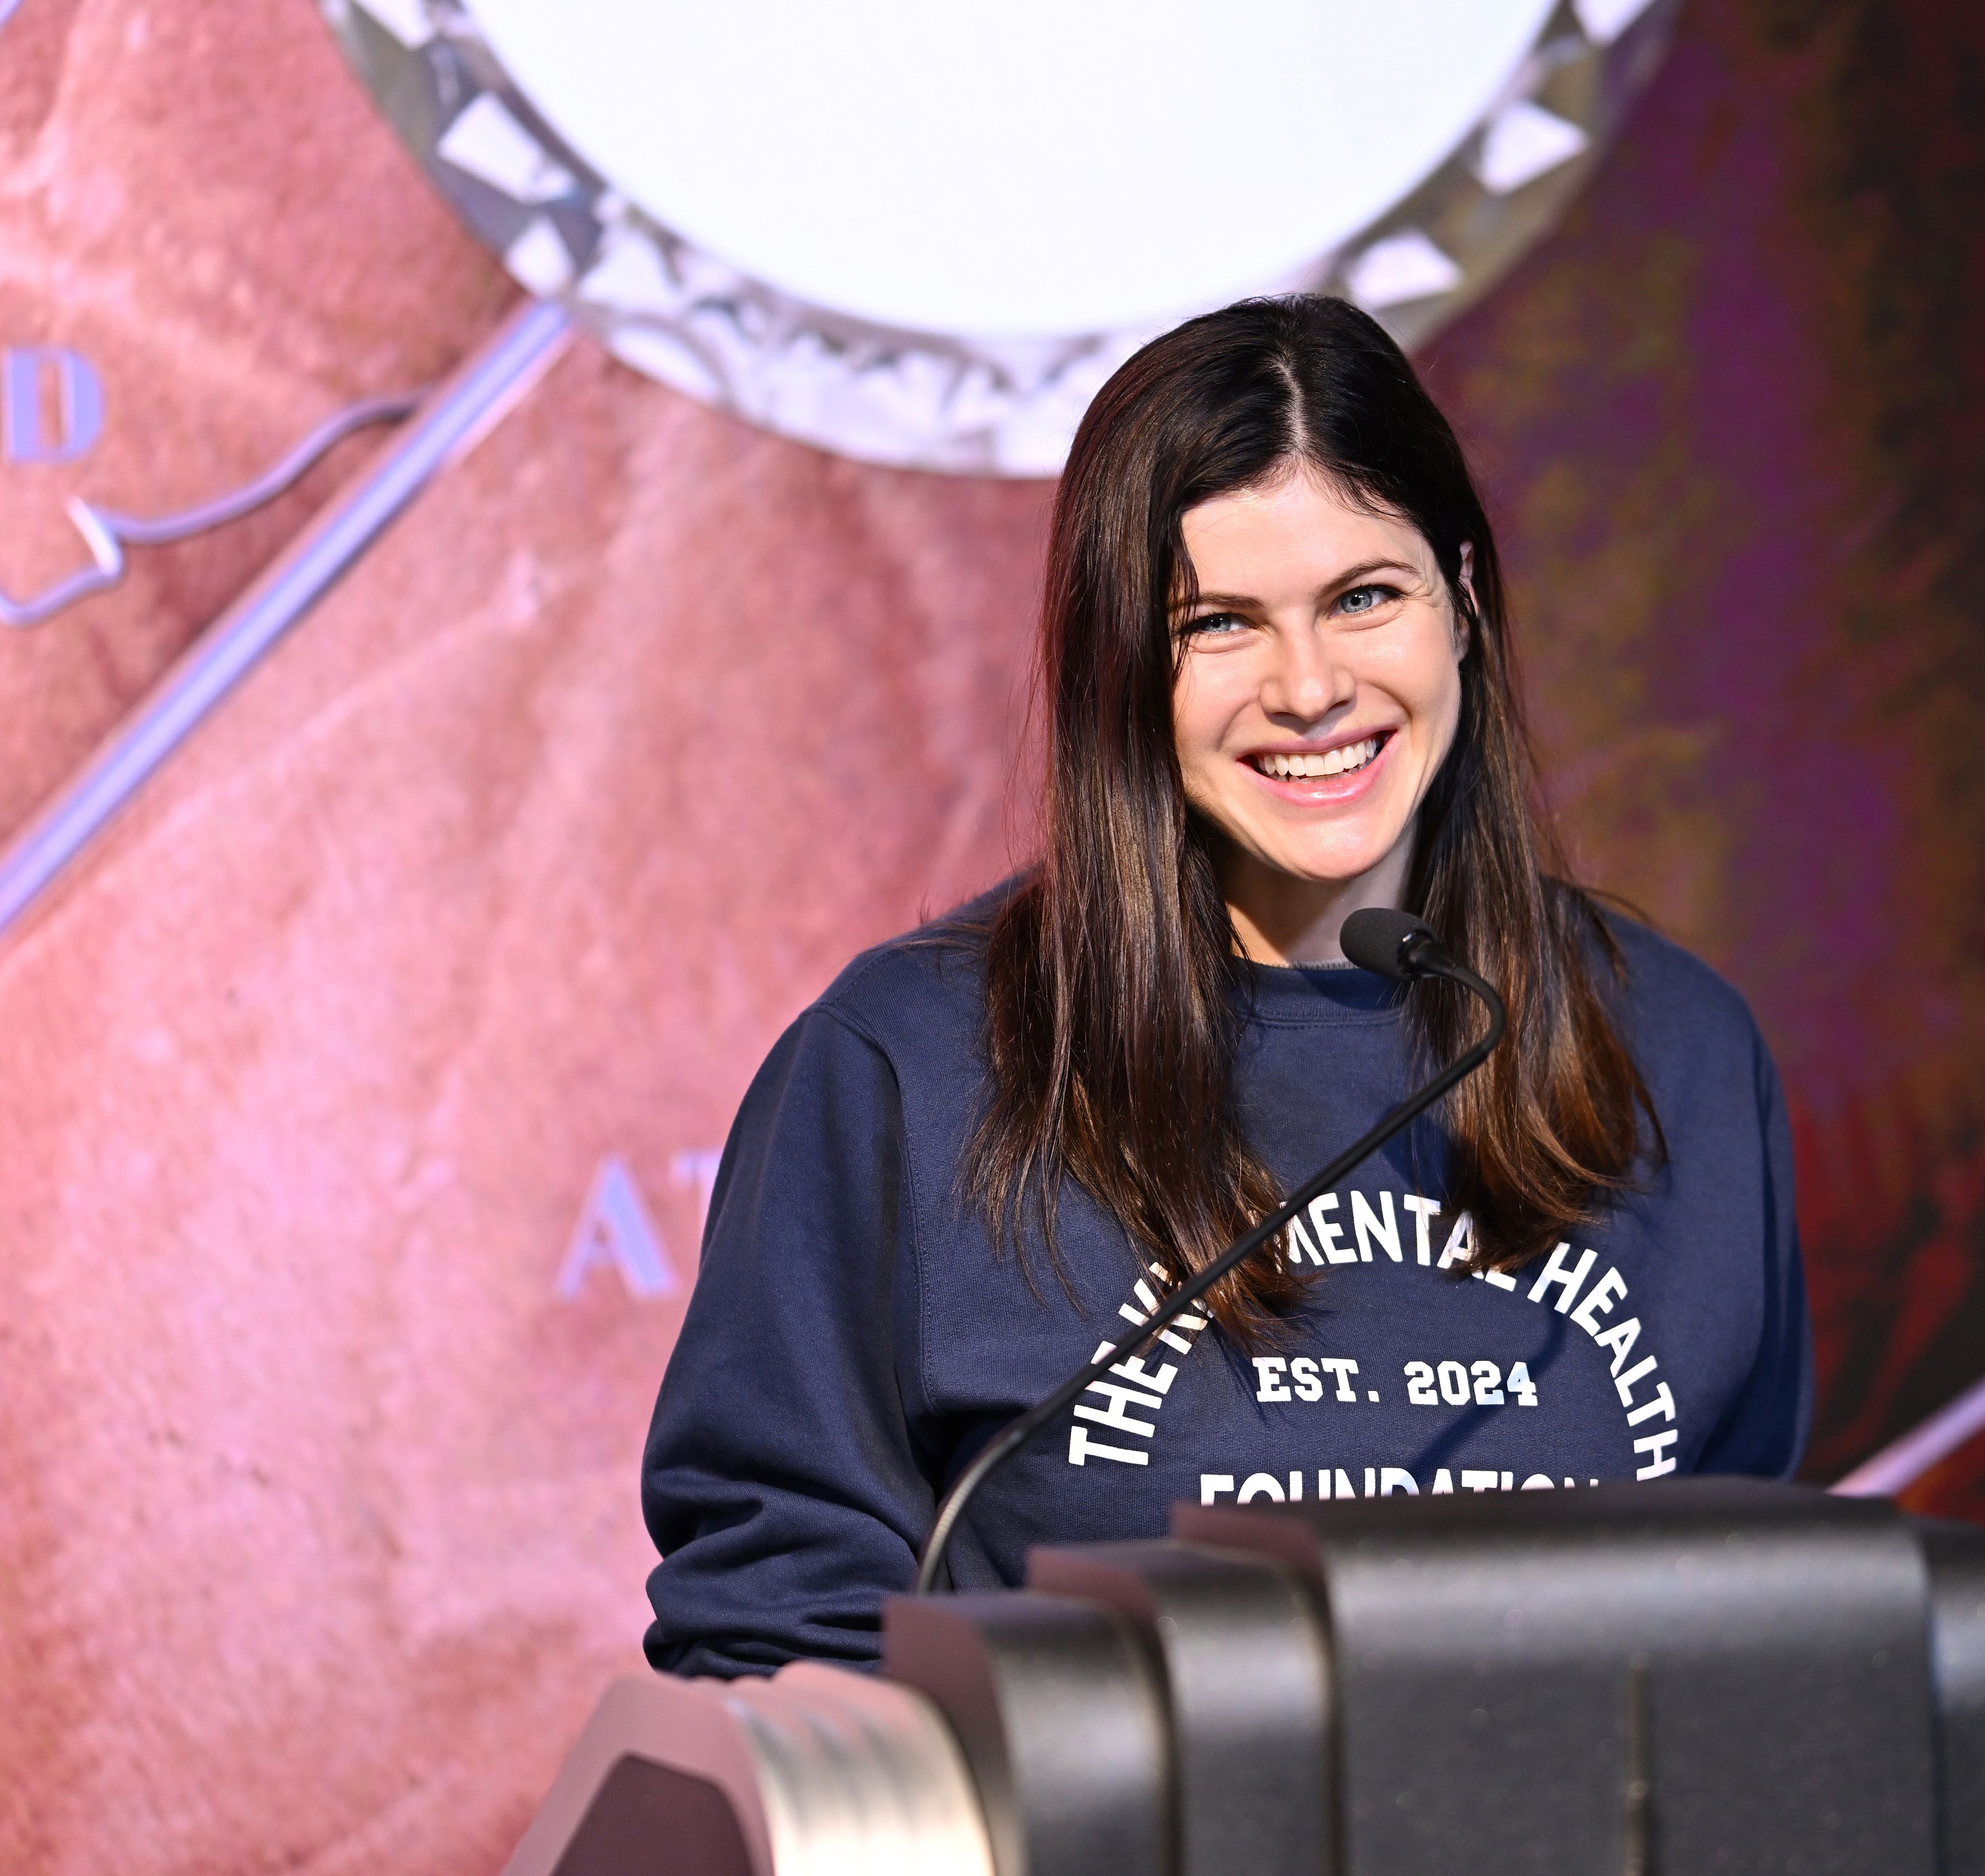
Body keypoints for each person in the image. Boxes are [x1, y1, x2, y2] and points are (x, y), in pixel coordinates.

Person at [641, 295, 1810, 1677]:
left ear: (1466, 605)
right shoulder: (909, 1066)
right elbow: (784, 1642)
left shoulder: (1674, 1045)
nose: (1309, 686)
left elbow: (1760, 1620)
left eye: (1364, 596)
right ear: (1126, 668)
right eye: (1220, 624)